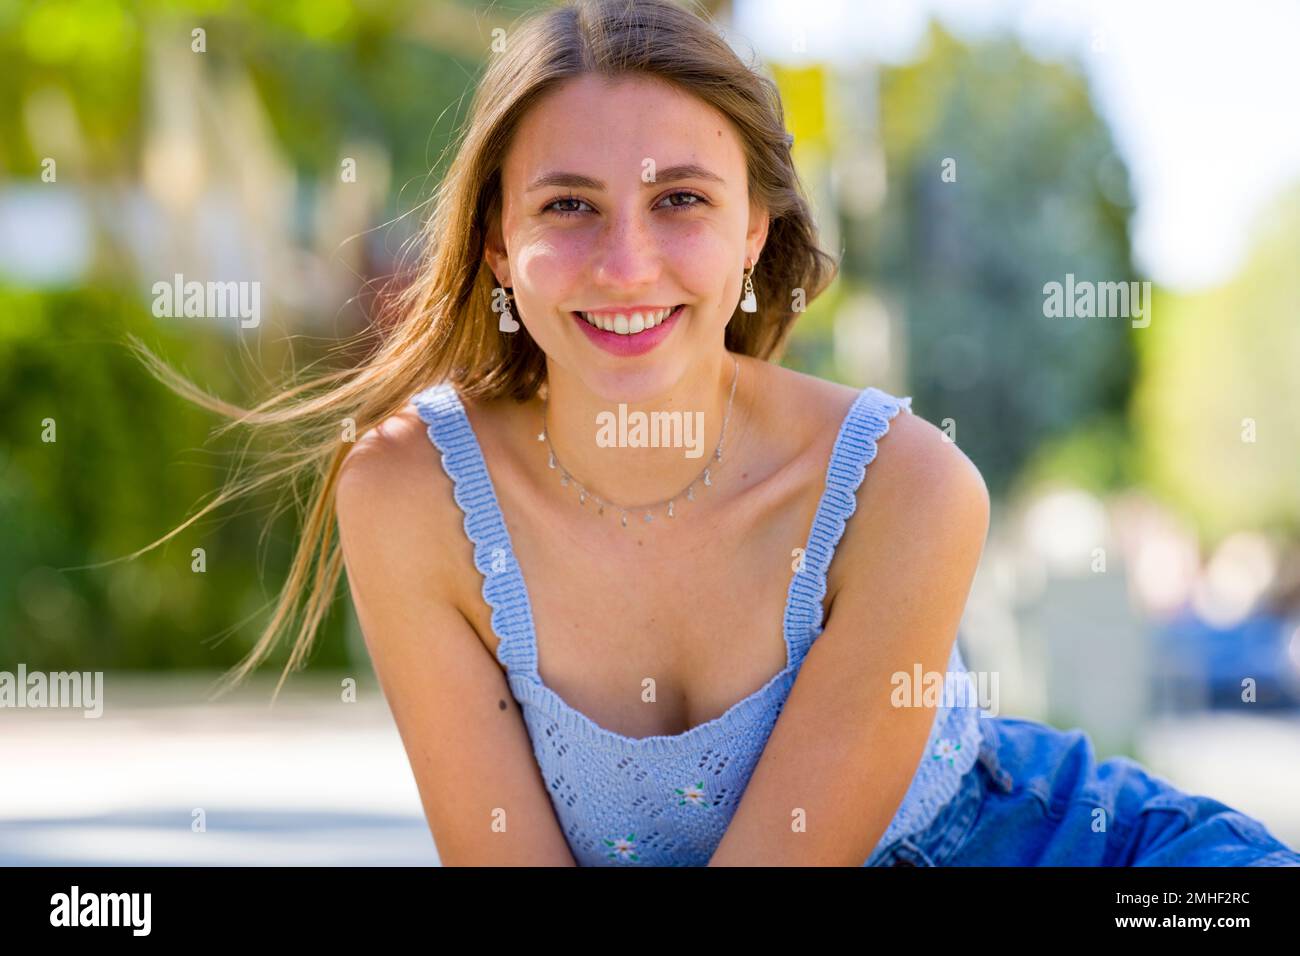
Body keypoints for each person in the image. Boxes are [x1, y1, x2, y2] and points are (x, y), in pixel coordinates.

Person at [139, 0, 1300, 866]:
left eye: (681, 199)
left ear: (754, 228)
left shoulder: (904, 485)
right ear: (499, 243)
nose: (626, 261)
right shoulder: (411, 491)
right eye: (567, 206)